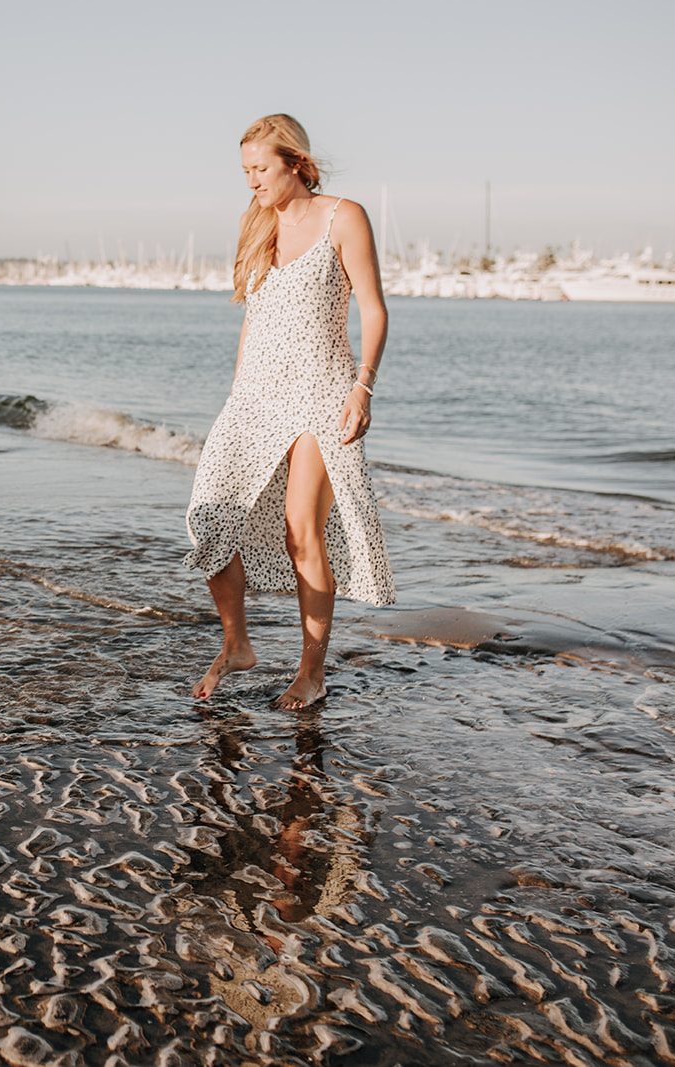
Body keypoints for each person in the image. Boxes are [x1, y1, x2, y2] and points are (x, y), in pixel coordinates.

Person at [185, 114, 396, 709]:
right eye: (245, 170)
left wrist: (363, 388)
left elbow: (374, 310)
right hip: (254, 396)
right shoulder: (257, 225)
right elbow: (254, 318)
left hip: (322, 394)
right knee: (209, 519)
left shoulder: (343, 215)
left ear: (295, 164)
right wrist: (235, 398)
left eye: (260, 168)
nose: (251, 180)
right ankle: (238, 643)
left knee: (300, 527)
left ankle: (310, 671)